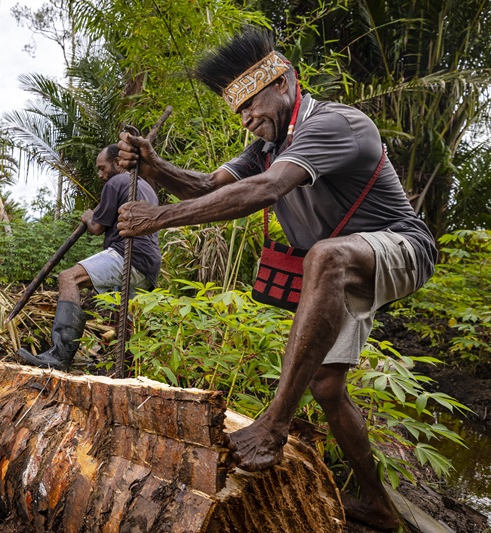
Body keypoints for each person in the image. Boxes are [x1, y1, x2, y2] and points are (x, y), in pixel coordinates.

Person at [115, 27, 437, 531]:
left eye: (250, 105)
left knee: (325, 256)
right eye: (238, 111)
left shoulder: (336, 123)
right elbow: (206, 186)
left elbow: (266, 190)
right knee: (327, 386)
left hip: (403, 247)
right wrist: (156, 168)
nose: (246, 119)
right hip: (342, 264)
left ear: (283, 82)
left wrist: (158, 218)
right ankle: (379, 505)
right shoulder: (265, 147)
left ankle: (273, 426)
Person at [17, 144, 162, 371]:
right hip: (149, 263)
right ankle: (126, 369)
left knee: (68, 278)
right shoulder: (147, 188)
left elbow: (96, 227)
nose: (100, 175)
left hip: (129, 253)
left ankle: (60, 353)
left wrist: (88, 217)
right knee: (124, 316)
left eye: (102, 168)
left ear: (117, 163)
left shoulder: (117, 181)